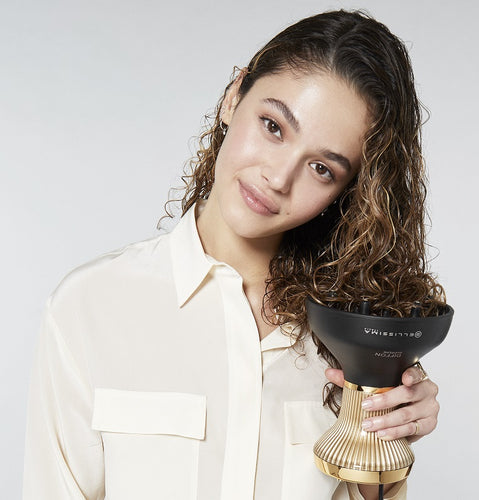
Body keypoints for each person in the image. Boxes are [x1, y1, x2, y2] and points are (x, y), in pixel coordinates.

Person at [23, 10, 445, 500]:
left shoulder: (349, 341)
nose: (279, 177)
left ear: (349, 193)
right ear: (233, 95)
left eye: (322, 169)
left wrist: (388, 443)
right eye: (273, 126)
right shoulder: (89, 307)